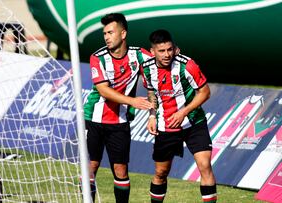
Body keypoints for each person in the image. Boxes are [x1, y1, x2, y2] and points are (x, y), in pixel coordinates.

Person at [83, 13, 153, 203]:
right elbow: (104, 91)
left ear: (123, 34)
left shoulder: (139, 55)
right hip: (94, 119)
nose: (106, 37)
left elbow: (155, 75)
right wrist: (132, 102)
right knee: (91, 166)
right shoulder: (97, 57)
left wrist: (153, 114)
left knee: (121, 169)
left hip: (120, 121)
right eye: (104, 33)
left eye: (110, 32)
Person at [141, 29, 217, 203]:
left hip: (193, 123)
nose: (167, 54)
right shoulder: (147, 69)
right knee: (161, 173)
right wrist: (152, 115)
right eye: (161, 51)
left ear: (174, 48)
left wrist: (184, 111)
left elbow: (205, 92)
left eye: (169, 49)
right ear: (152, 52)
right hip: (166, 126)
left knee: (205, 166)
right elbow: (152, 93)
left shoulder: (187, 65)